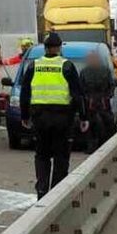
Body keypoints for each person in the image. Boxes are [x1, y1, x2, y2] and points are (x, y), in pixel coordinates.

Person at [19, 32, 87, 199]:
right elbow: (78, 94)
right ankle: (57, 193)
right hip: (63, 118)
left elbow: (25, 93)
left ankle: (42, 190)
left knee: (41, 155)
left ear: (45, 48)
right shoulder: (67, 66)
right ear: (59, 48)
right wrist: (84, 117)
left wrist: (25, 116)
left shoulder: (34, 66)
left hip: (40, 117)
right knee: (61, 156)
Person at [80, 52, 116, 152]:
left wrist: (108, 96)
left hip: (99, 102)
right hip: (95, 103)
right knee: (93, 125)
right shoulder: (86, 72)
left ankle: (99, 145)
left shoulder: (103, 71)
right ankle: (97, 146)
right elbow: (81, 88)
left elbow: (111, 86)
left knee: (104, 124)